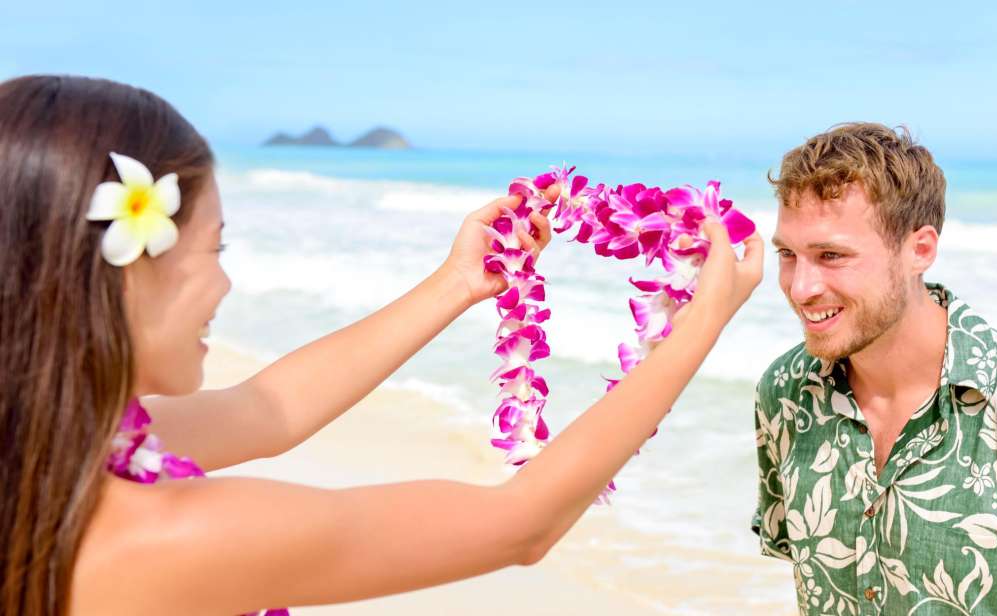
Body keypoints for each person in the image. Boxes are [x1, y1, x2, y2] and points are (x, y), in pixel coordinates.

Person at [0, 74, 763, 615]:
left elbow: (270, 409)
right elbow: (519, 525)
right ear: (126, 275)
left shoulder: (46, 464)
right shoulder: (163, 536)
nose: (225, 286)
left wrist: (459, 284)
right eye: (214, 250)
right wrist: (695, 325)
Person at [751, 123, 997, 615]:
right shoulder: (785, 392)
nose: (800, 288)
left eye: (832, 255)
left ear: (919, 250)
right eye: (788, 255)